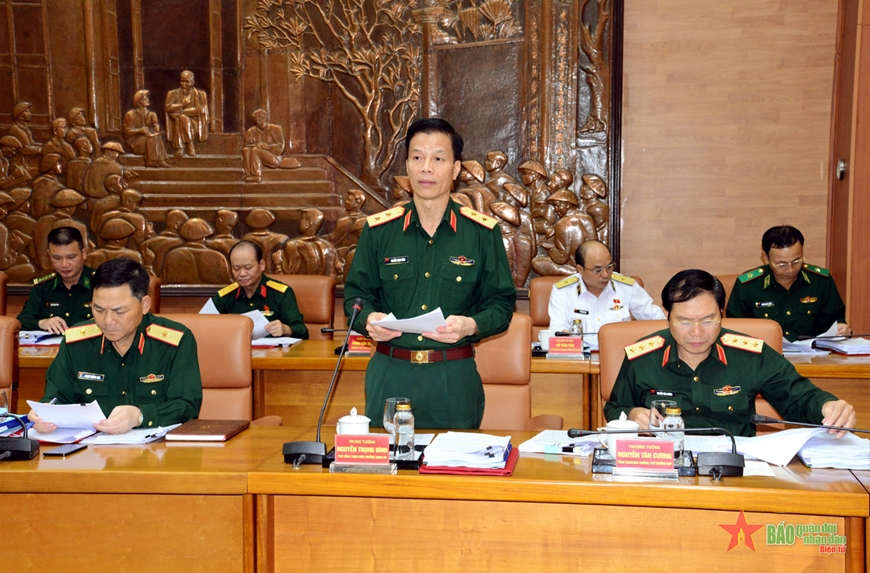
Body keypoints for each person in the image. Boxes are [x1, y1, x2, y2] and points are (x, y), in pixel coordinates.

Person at [343, 117, 516, 429]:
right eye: (417, 157)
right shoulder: (378, 230)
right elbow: (356, 298)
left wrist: (471, 325)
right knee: (387, 461)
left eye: (438, 159)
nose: (426, 168)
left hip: (452, 378)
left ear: (456, 169)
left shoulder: (481, 232)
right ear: (407, 166)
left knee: (455, 461)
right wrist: (368, 319)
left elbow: (501, 304)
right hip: (390, 374)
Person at [604, 269, 855, 437]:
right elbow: (615, 408)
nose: (697, 332)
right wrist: (633, 414)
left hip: (734, 470)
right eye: (684, 321)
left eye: (708, 320)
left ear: (722, 314)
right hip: (664, 467)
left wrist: (828, 406)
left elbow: (799, 398)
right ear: (666, 315)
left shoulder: (750, 354)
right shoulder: (642, 356)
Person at [28, 258, 202, 434]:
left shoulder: (175, 342)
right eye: (99, 310)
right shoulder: (76, 342)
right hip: (91, 448)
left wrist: (140, 415)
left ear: (144, 305)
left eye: (119, 311)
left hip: (155, 448)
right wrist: (43, 415)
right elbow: (56, 398)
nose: (108, 320)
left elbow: (187, 406)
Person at [725, 225, 850, 341]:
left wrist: (841, 329)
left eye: (796, 261)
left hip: (814, 355)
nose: (790, 269)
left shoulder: (821, 282)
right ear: (765, 258)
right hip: (764, 355)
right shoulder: (748, 286)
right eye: (781, 264)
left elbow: (835, 321)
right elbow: (735, 332)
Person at [547, 240, 664, 349]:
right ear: (580, 269)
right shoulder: (563, 291)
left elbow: (656, 318)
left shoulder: (626, 287)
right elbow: (557, 331)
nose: (606, 275)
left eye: (609, 267)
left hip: (620, 355)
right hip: (580, 356)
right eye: (598, 270)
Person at [210, 240, 308, 339]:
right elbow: (206, 327)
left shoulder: (281, 294)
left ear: (261, 265)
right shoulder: (224, 297)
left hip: (273, 349)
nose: (242, 274)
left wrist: (286, 329)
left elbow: (302, 331)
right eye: (236, 268)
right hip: (236, 348)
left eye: (248, 267)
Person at [17, 227, 94, 333]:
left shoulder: (102, 283)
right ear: (49, 255)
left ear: (84, 253)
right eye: (57, 258)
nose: (64, 264)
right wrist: (42, 323)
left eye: (71, 257)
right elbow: (21, 321)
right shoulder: (43, 288)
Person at [164, 70, 209, 157]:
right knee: (180, 119)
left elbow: (200, 111)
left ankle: (179, 148)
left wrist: (182, 112)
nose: (183, 84)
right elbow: (167, 108)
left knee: (181, 117)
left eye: (187, 81)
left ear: (192, 82)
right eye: (182, 81)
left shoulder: (201, 95)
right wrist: (182, 104)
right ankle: (190, 145)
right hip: (178, 123)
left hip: (195, 123)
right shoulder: (172, 93)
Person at [123, 89, 171, 168]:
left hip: (151, 140)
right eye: (144, 98)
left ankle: (160, 160)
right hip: (135, 143)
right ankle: (150, 161)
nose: (147, 99)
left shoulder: (152, 114)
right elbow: (126, 132)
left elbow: (156, 127)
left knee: (156, 136)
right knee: (151, 138)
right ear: (138, 102)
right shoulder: (130, 115)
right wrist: (139, 131)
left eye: (147, 97)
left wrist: (156, 128)